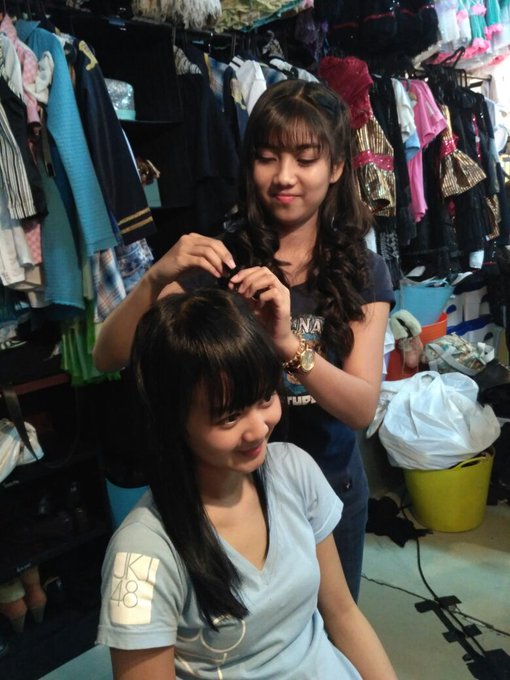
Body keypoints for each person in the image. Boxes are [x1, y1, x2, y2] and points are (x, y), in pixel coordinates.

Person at [93, 79, 394, 600]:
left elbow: (361, 408)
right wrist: (154, 279)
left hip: (330, 491)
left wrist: (287, 345)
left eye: (305, 159)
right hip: (230, 498)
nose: (284, 177)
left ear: (336, 167)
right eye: (267, 157)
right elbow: (107, 355)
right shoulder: (221, 259)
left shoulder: (362, 271)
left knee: (331, 626)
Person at [96, 287, 398, 680]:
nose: (258, 429)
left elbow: (343, 614)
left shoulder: (295, 471)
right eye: (229, 417)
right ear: (172, 420)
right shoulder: (140, 555)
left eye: (265, 399)